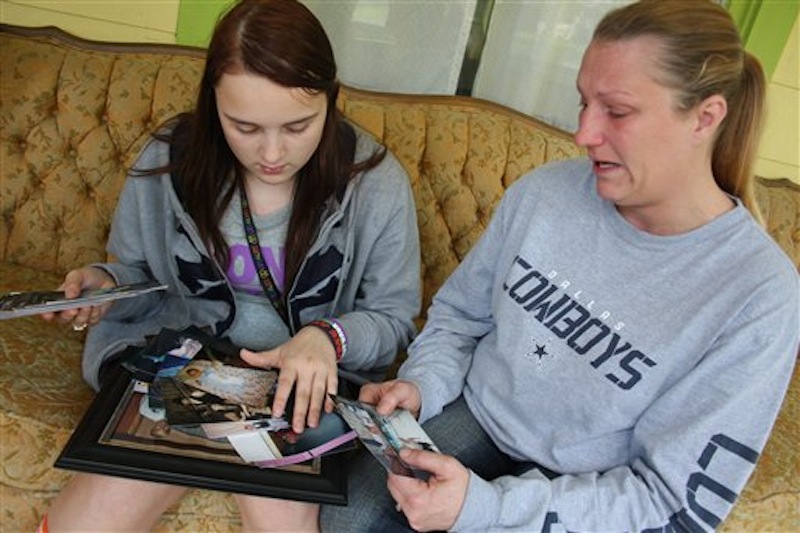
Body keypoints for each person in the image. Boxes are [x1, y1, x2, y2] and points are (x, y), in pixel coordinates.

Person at [319, 0, 800, 531]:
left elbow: (668, 500)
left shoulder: (759, 294)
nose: (584, 134)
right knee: (351, 516)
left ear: (705, 118)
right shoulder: (546, 193)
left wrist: (486, 510)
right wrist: (423, 386)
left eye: (616, 111)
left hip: (595, 486)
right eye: (583, 104)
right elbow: (458, 317)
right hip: (480, 420)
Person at [38, 0, 420, 530]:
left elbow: (392, 318)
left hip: (298, 391)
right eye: (244, 126)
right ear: (212, 101)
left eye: (298, 126)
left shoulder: (374, 182)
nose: (271, 154)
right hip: (183, 367)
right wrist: (105, 284)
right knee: (89, 519)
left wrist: (327, 337)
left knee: (280, 517)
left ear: (332, 102)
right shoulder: (169, 159)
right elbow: (142, 277)